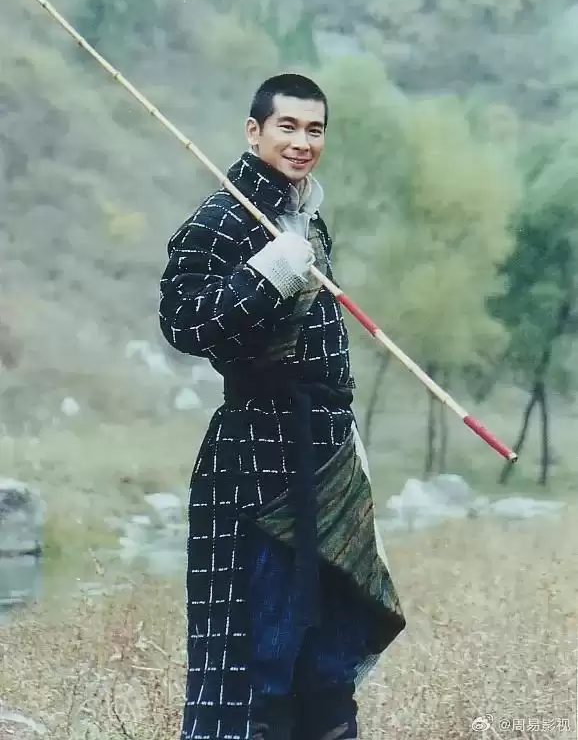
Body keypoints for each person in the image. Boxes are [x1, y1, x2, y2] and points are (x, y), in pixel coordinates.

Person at [159, 73, 406, 740]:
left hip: (326, 457)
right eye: (287, 127)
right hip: (256, 462)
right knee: (261, 660)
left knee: (330, 652)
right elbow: (183, 322)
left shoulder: (310, 220)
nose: (302, 142)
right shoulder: (222, 218)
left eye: (314, 129)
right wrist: (266, 274)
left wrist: (346, 434)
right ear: (255, 132)